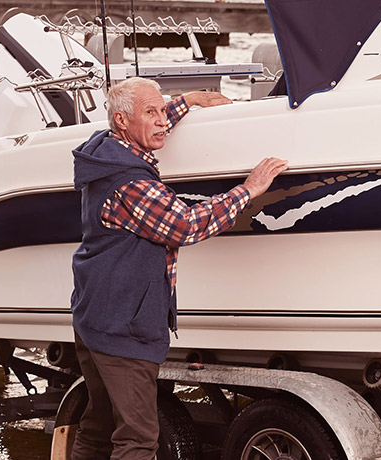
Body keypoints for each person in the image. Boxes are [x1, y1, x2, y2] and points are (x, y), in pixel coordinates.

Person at [68, 77, 287, 460]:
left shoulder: (105, 152)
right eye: (151, 113)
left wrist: (190, 99)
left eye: (162, 111)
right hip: (122, 326)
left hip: (95, 315)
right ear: (122, 121)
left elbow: (153, 116)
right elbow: (185, 225)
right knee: (137, 438)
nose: (162, 121)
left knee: (99, 425)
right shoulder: (129, 182)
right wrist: (249, 189)